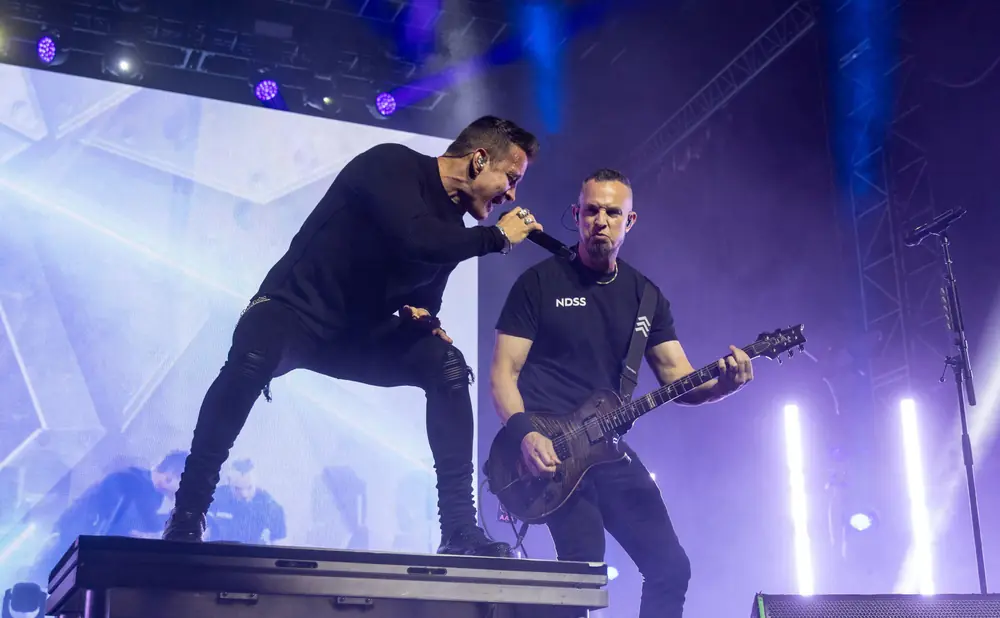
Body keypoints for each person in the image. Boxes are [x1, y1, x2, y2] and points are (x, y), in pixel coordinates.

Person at [164, 116, 544, 558]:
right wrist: (497, 238)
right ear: (480, 159)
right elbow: (416, 240)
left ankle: (459, 528)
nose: (512, 195)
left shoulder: (453, 230)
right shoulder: (391, 165)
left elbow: (425, 293)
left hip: (360, 335)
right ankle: (189, 509)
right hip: (294, 313)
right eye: (511, 179)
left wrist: (424, 319)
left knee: (448, 365)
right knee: (253, 356)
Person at [489, 169, 754, 617]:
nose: (601, 220)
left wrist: (726, 384)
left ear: (629, 222)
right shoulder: (538, 284)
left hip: (607, 450)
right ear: (576, 215)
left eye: (613, 212)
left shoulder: (645, 298)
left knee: (671, 568)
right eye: (592, 210)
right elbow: (502, 373)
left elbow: (679, 376)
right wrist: (526, 435)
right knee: (581, 573)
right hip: (552, 452)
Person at [208, 459, 286, 544]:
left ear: (256, 483)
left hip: (255, 556)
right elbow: (203, 533)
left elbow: (279, 544)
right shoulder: (214, 499)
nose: (244, 494)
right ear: (229, 482)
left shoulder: (271, 507)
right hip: (219, 554)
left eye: (249, 488)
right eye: (237, 488)